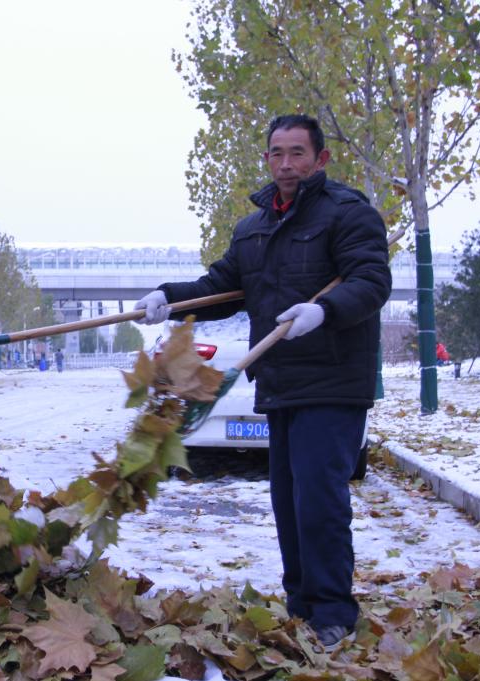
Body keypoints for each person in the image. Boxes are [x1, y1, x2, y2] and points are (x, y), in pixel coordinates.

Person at [134, 115, 391, 649]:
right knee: (289, 501)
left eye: (298, 153)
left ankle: (333, 613)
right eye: (277, 153)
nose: (286, 164)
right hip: (280, 381)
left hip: (333, 379)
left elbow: (371, 281)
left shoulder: (349, 213)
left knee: (319, 498)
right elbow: (222, 287)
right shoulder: (254, 228)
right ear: (267, 158)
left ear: (320, 159)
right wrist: (168, 299)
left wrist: (325, 311)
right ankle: (302, 606)